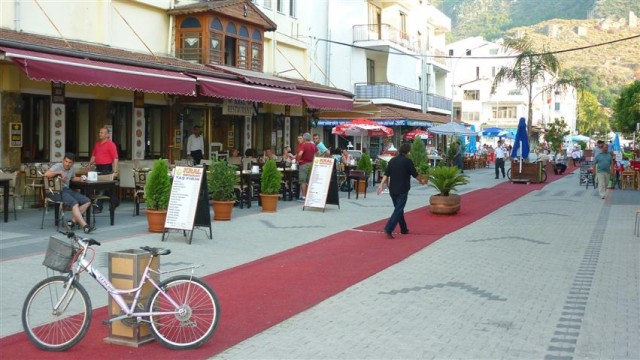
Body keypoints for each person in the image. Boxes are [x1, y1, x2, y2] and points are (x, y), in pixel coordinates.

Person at [376, 143, 425, 239]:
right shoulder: (408, 162)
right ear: (408, 151)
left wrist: (381, 185)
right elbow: (415, 174)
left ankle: (404, 229)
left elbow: (386, 174)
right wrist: (422, 181)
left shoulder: (392, 160)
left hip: (392, 189)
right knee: (398, 209)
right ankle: (389, 228)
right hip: (403, 189)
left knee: (399, 209)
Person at [45, 153, 94, 234]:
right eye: (66, 161)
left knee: (87, 201)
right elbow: (47, 174)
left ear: (73, 163)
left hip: (67, 190)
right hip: (55, 191)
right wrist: (59, 172)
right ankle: (85, 226)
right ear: (63, 160)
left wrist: (80, 179)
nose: (67, 164)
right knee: (74, 203)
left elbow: (73, 178)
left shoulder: (71, 169)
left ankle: (71, 222)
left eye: (69, 162)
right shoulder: (58, 166)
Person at [88, 127, 118, 213]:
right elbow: (94, 155)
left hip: (107, 167)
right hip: (98, 167)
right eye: (99, 132)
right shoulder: (97, 144)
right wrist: (89, 165)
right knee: (102, 187)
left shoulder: (111, 144)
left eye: (102, 133)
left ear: (107, 135)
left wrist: (115, 170)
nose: (100, 134)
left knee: (101, 187)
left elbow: (115, 158)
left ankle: (98, 207)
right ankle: (115, 201)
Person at [296, 133, 317, 200]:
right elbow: (319, 153)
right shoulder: (313, 145)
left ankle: (304, 196)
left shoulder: (304, 145)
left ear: (304, 139)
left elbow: (300, 154)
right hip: (311, 164)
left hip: (303, 164)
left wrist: (298, 160)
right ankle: (309, 195)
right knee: (309, 180)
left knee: (303, 181)